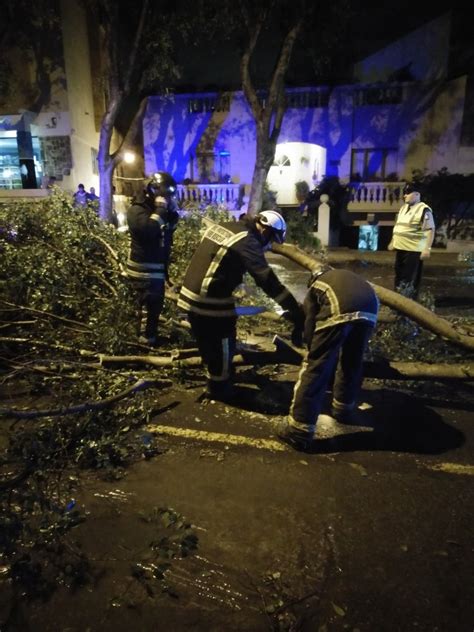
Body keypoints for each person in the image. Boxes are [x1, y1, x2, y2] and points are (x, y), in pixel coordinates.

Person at [177, 210, 305, 401]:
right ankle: (219, 388)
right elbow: (266, 280)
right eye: (271, 240)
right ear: (265, 230)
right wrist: (293, 308)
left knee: (207, 340)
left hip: (189, 295)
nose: (269, 245)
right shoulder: (248, 241)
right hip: (207, 299)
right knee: (224, 339)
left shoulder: (229, 227)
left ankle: (213, 377)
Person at [277, 265, 379, 451]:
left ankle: (299, 429)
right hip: (370, 309)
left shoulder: (316, 286)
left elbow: (310, 323)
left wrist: (310, 346)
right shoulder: (344, 275)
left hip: (341, 305)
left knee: (316, 366)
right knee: (351, 361)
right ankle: (343, 408)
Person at [126, 172, 179, 346]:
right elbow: (149, 231)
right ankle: (139, 344)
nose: (167, 200)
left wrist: (171, 213)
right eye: (165, 196)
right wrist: (161, 210)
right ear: (154, 191)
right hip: (141, 272)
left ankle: (150, 337)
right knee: (144, 309)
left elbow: (167, 232)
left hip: (155, 271)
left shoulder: (156, 210)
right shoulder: (137, 210)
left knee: (155, 308)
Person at [388, 182, 435, 299]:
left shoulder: (423, 209)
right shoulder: (403, 208)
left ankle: (409, 302)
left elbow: (430, 229)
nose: (405, 195)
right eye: (404, 193)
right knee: (399, 275)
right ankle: (398, 299)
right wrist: (393, 242)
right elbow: (398, 226)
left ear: (417, 194)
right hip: (401, 248)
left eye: (408, 193)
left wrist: (427, 248)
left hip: (413, 250)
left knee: (409, 277)